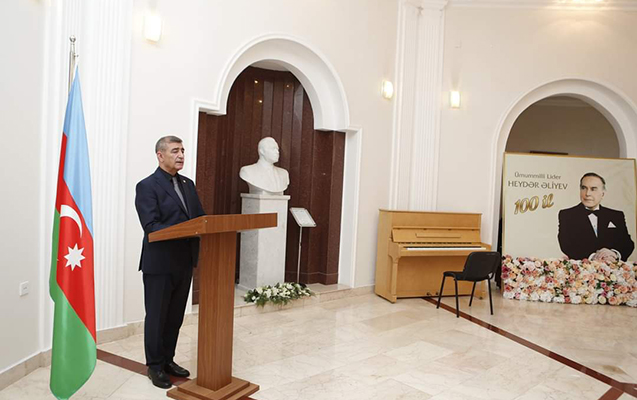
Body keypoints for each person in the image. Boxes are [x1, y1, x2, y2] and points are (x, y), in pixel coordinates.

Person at [135, 136, 205, 389]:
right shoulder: (147, 186)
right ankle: (154, 366)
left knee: (175, 316)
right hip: (160, 263)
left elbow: (200, 218)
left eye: (182, 150)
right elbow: (151, 226)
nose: (181, 155)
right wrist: (184, 228)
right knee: (157, 317)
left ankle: (168, 360)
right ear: (160, 155)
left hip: (184, 261)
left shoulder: (188, 184)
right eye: (175, 151)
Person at [557, 172, 634, 262]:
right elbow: (566, 245)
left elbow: (627, 243)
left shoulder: (616, 215)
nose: (587, 193)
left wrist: (614, 253)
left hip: (613, 267)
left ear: (603, 194)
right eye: (583, 188)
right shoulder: (567, 215)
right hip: (583, 267)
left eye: (593, 189)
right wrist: (593, 257)